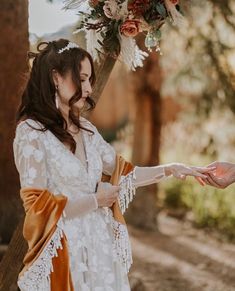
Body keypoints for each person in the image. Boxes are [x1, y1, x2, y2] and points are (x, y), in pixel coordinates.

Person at [13, 38, 215, 291]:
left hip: (101, 249)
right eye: (82, 78)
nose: (88, 88)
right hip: (65, 253)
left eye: (89, 79)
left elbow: (125, 173)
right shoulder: (31, 133)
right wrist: (96, 201)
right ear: (55, 77)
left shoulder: (86, 130)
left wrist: (171, 168)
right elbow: (37, 207)